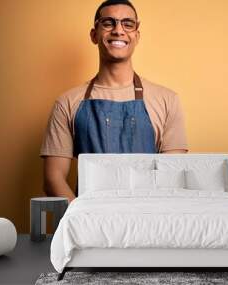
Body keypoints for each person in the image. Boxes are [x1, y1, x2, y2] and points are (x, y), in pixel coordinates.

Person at [40, 0, 188, 202]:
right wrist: (86, 219)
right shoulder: (67, 102)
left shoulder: (167, 100)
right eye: (108, 23)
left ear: (137, 35)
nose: (119, 30)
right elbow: (52, 179)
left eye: (128, 24)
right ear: (94, 35)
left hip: (150, 222)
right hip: (89, 226)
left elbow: (172, 179)